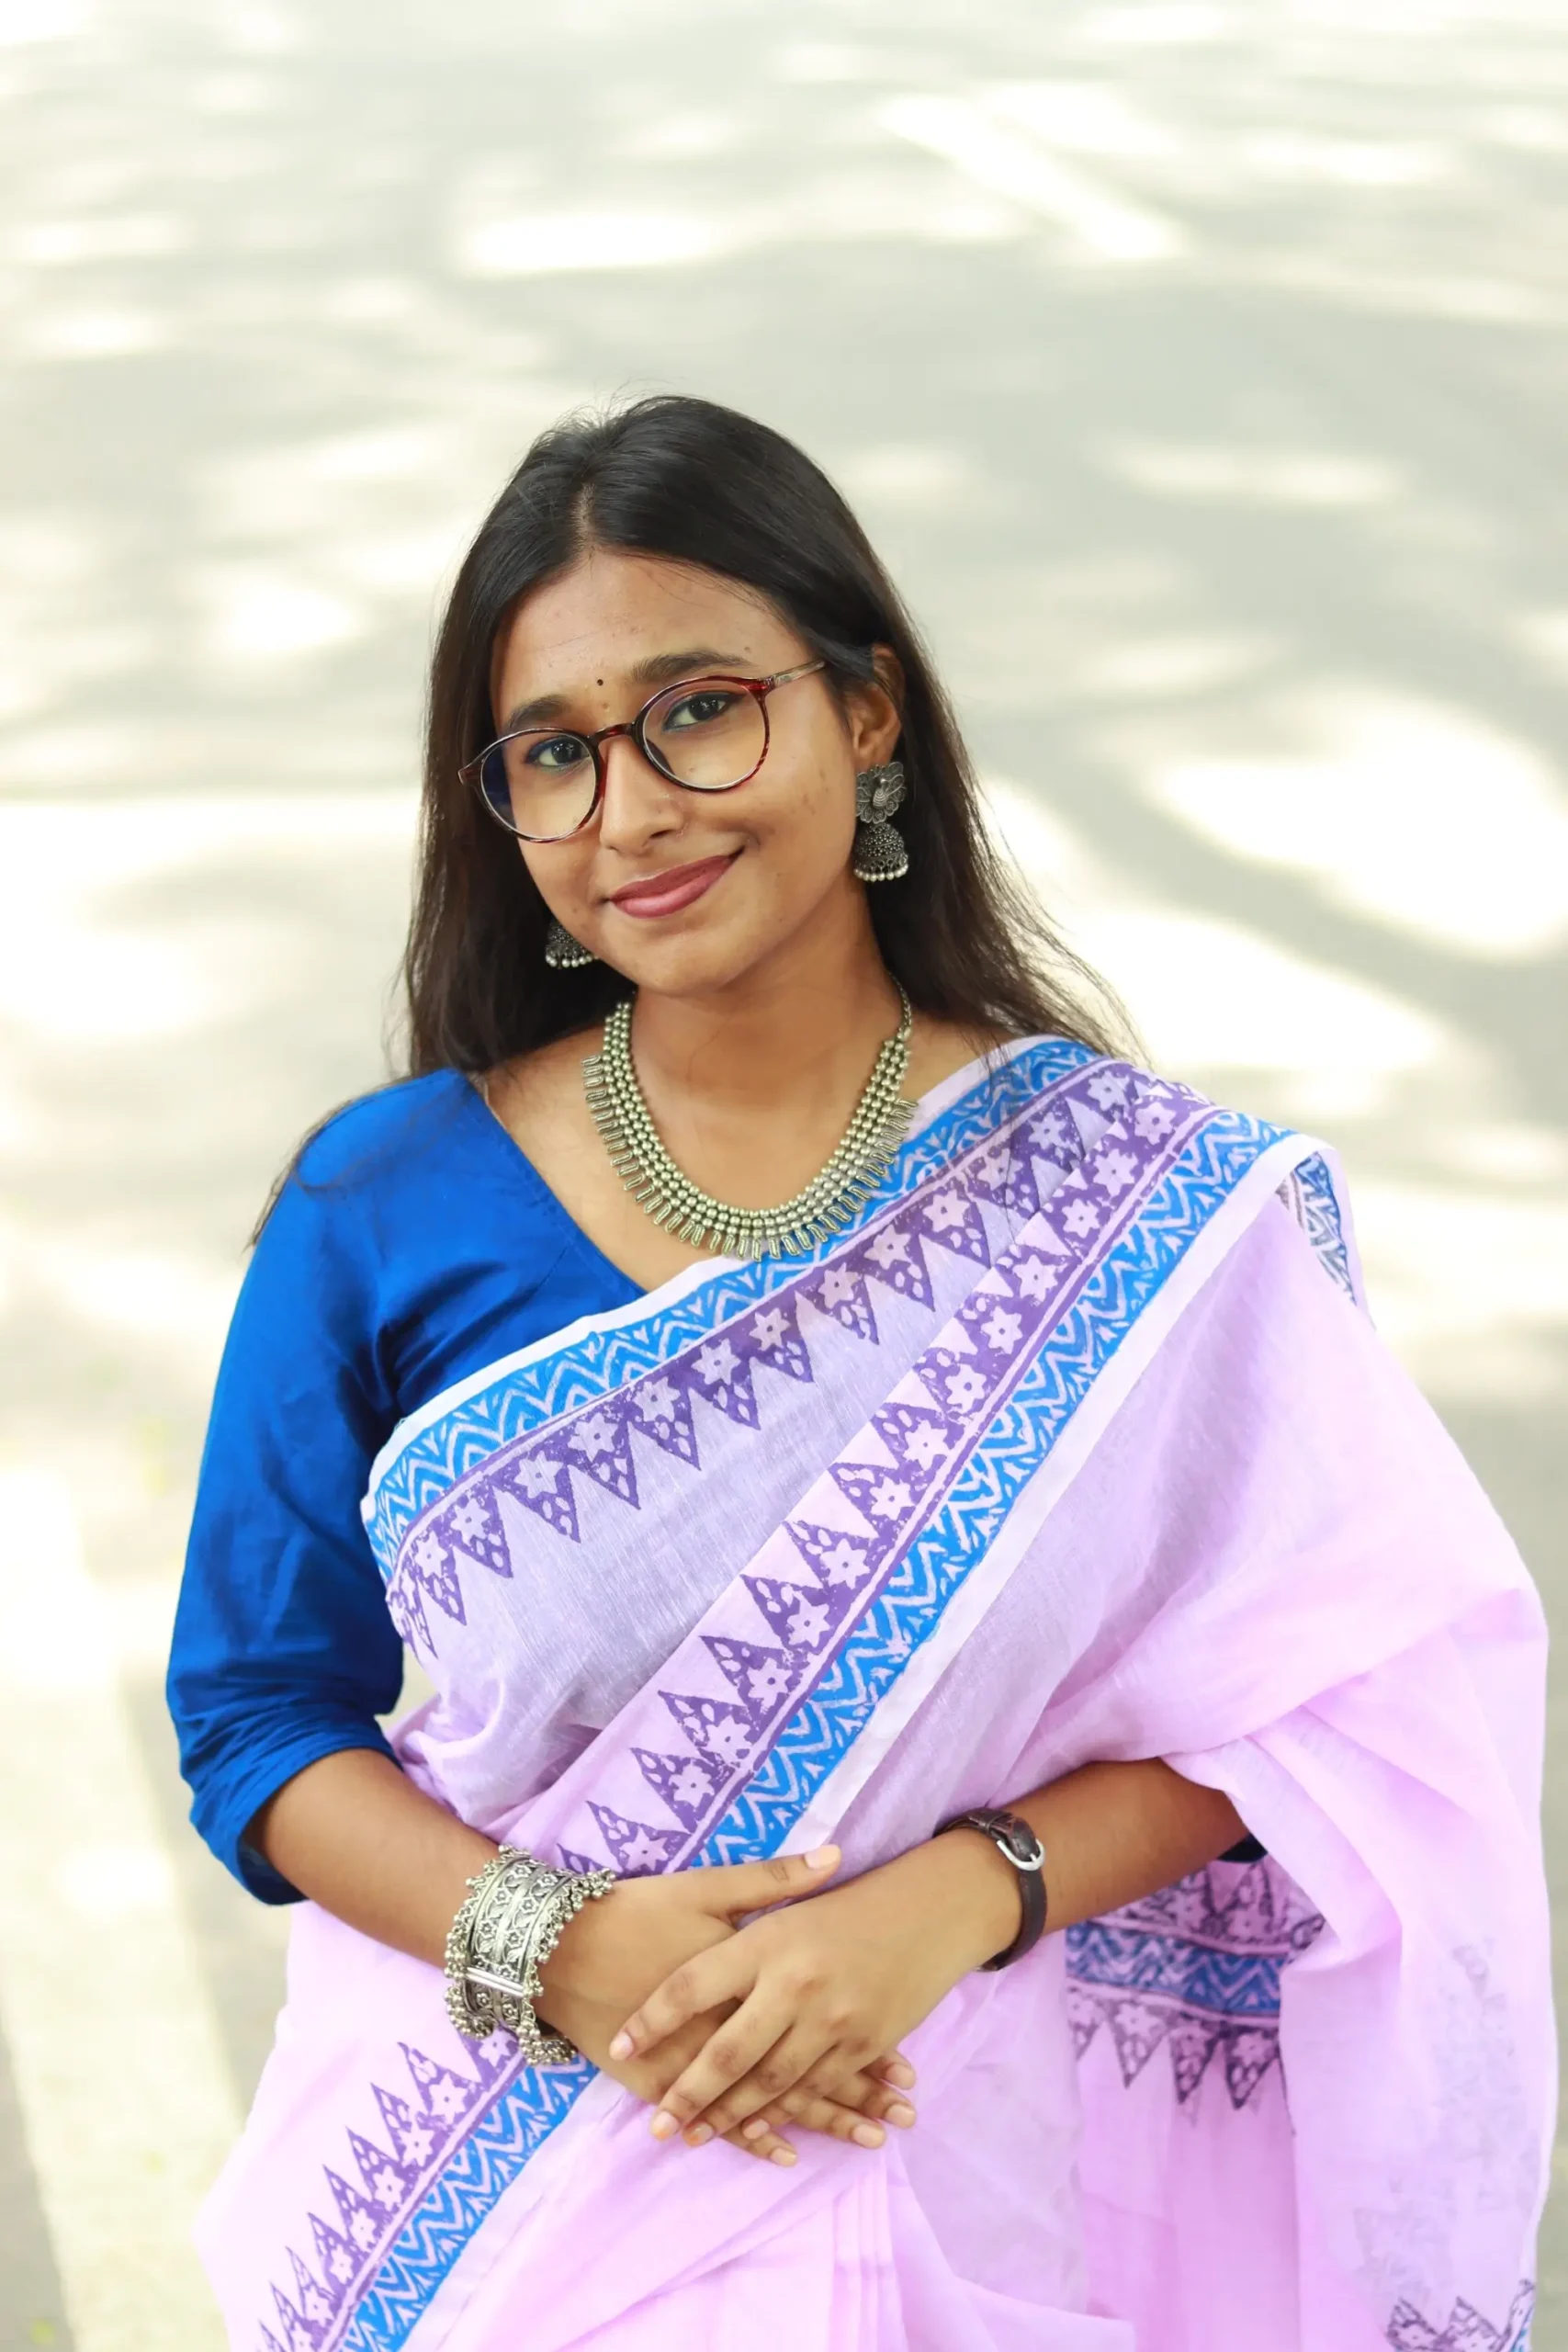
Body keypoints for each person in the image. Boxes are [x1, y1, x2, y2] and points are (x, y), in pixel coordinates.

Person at [169, 395, 1551, 2352]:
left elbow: (1335, 1688)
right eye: (552, 752)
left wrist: (957, 1897)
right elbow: (255, 1710)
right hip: (515, 2201)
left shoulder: (1127, 1207)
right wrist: (559, 1949)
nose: (632, 811)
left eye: (700, 710)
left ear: (868, 710)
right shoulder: (380, 1206)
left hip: (988, 2169)